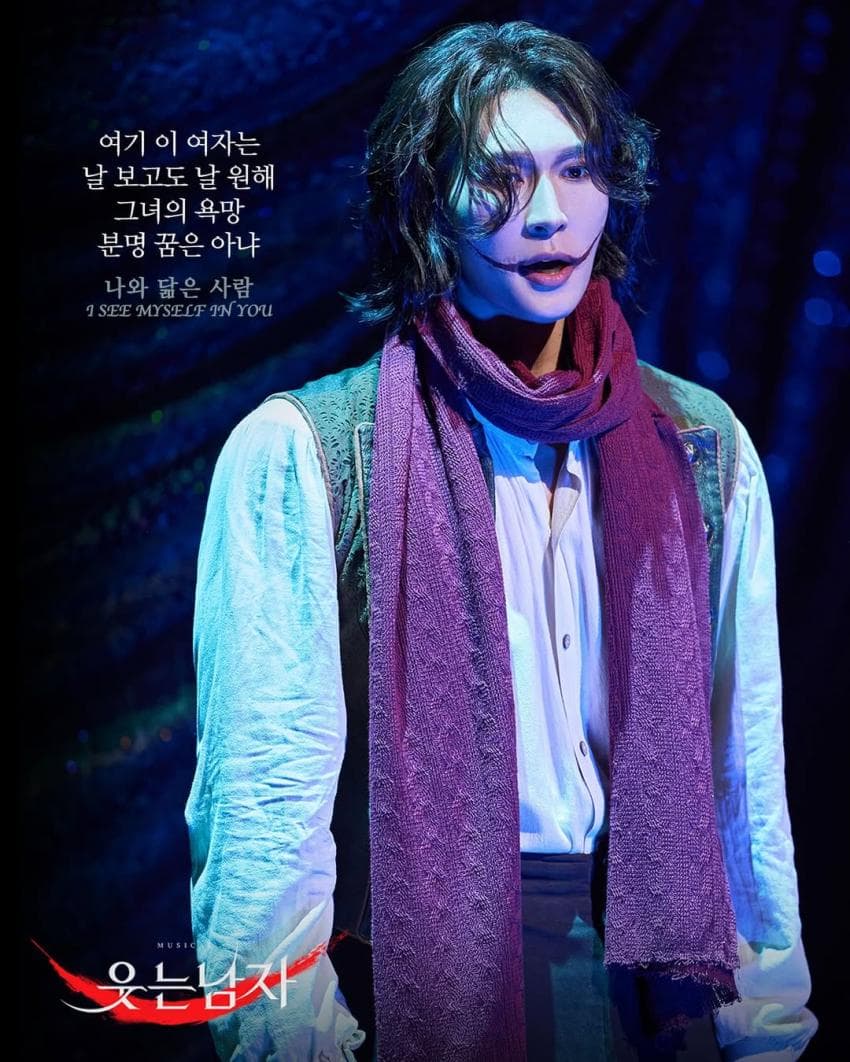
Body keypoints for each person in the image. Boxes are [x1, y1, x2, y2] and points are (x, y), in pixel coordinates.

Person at [185, 20, 818, 1062]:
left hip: (652, 981)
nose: (547, 213)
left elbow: (741, 780)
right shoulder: (308, 453)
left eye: (577, 170)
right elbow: (264, 813)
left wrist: (767, 1028)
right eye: (498, 177)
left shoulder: (699, 445)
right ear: (424, 202)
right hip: (409, 976)